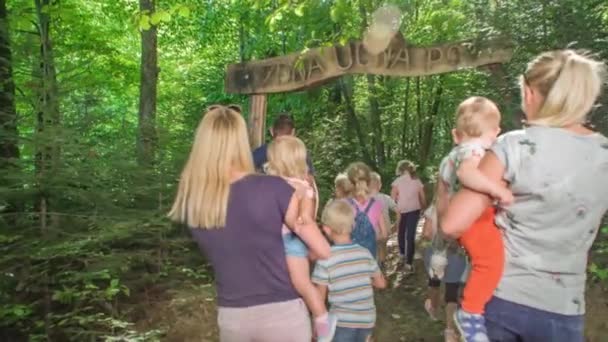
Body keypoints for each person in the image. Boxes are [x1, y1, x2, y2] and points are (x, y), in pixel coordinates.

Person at [441, 50, 608, 342]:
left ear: (530, 93)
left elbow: (452, 224)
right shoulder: (603, 154)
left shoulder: (514, 146)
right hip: (565, 307)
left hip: (501, 299)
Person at [168, 105, 331, 341]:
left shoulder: (195, 203)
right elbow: (323, 250)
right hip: (282, 315)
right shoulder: (274, 188)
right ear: (240, 142)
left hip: (232, 319)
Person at [437, 96, 512, 342]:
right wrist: (498, 190)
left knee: (483, 262)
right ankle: (470, 312)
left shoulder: (453, 153)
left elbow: (442, 197)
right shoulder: (473, 150)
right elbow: (467, 174)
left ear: (455, 134)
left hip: (467, 219)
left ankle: (473, 308)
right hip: (475, 219)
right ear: (495, 132)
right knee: (490, 263)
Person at [266, 135, 337, 341]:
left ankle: (323, 320)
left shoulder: (300, 185)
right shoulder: (275, 182)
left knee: (302, 284)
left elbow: (305, 218)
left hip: (293, 241)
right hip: (279, 241)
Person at [312, 199, 387, 342]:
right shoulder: (364, 253)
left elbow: (319, 300)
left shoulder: (325, 258)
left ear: (326, 229)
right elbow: (381, 284)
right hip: (367, 320)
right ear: (352, 226)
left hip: (342, 322)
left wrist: (319, 329)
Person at [422, 200, 467, 342]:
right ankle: (449, 331)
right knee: (452, 292)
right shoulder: (464, 205)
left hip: (435, 253)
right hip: (456, 254)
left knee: (434, 283)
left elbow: (427, 233)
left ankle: (433, 309)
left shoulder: (434, 207)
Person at [346, 162, 388, 259]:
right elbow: (384, 234)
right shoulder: (376, 204)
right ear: (368, 181)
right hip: (370, 258)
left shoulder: (344, 204)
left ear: (349, 182)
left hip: (350, 257)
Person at [391, 160, 426, 273]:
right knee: (410, 236)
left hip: (401, 210)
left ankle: (402, 254)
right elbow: (423, 197)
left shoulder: (397, 181)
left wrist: (397, 204)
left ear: (401, 170)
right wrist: (424, 207)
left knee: (401, 232)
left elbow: (393, 198)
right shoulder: (417, 181)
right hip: (414, 211)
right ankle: (409, 263)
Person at [370, 172, 397, 264]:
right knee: (383, 247)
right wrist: (397, 225)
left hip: (371, 232)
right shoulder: (385, 198)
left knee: (373, 250)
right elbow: (398, 210)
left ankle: (376, 267)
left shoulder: (364, 200)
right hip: (385, 229)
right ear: (380, 185)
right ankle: (382, 264)